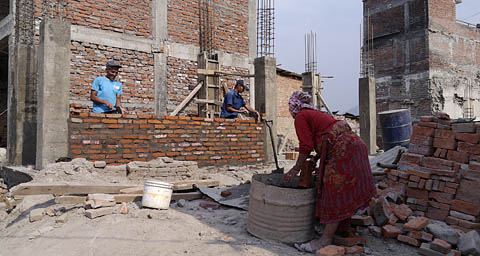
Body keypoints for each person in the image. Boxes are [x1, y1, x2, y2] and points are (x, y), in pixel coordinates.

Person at [284, 91, 376, 253]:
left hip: (343, 150)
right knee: (344, 190)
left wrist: (295, 169)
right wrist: (316, 159)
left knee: (334, 191)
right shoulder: (315, 114)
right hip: (356, 145)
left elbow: (305, 146)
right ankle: (341, 229)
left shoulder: (301, 116)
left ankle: (325, 240)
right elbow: (325, 139)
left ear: (294, 105)